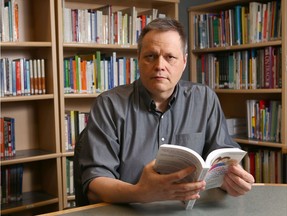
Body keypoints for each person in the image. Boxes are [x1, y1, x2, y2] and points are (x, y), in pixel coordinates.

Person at [78, 17, 255, 205]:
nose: (160, 65)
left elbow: (222, 156)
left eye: (170, 57)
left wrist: (231, 180)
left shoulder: (204, 99)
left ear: (184, 62)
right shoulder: (109, 105)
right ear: (139, 59)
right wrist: (140, 193)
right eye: (150, 56)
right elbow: (94, 185)